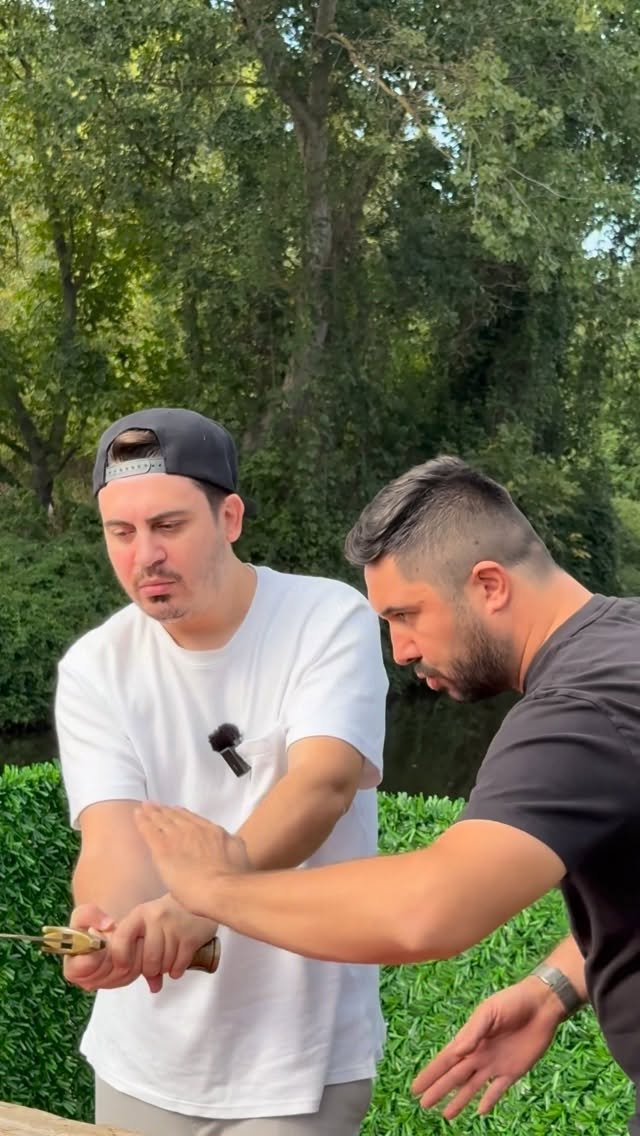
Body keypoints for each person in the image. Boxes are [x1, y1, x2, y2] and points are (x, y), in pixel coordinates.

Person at [133, 455, 640, 1135]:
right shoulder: (626, 646)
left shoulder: (582, 710)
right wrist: (555, 987)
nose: (399, 650)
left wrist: (212, 890)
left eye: (406, 615)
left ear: (489, 585)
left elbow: (429, 909)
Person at [56, 407, 389, 1136]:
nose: (145, 555)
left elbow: (323, 786)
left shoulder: (328, 619)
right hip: (140, 1061)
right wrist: (106, 924)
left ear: (229, 518)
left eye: (168, 525)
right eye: (121, 531)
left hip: (298, 1062)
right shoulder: (94, 667)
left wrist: (204, 901)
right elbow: (113, 838)